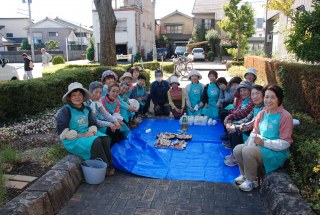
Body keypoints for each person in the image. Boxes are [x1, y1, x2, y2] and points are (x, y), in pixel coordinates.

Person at [233, 84, 293, 192]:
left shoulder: (285, 116)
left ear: (279, 99)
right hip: (261, 146)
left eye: (272, 97)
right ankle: (245, 175)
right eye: (266, 97)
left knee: (247, 151)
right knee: (238, 149)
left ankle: (253, 180)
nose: (268, 100)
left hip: (276, 152)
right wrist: (249, 143)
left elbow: (285, 143)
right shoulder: (262, 113)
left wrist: (264, 143)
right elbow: (255, 132)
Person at [55, 82, 115, 176]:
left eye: (80, 94)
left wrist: (92, 131)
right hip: (72, 139)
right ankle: (104, 168)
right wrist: (81, 135)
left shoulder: (87, 109)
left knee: (105, 138)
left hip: (86, 133)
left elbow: (92, 124)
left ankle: (110, 165)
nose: (77, 97)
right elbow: (62, 133)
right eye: (74, 95)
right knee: (96, 141)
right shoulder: (65, 111)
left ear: (83, 96)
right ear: (69, 97)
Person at [224, 85, 265, 167]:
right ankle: (234, 153)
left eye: (257, 93)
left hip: (258, 132)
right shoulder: (256, 106)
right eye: (253, 94)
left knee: (235, 132)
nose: (255, 96)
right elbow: (247, 118)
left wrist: (236, 127)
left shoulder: (263, 108)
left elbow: (252, 123)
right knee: (233, 128)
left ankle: (237, 158)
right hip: (253, 128)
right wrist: (235, 124)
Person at [85, 81, 122, 146]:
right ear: (90, 91)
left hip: (101, 121)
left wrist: (115, 121)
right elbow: (93, 120)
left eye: (100, 93)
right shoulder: (86, 104)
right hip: (93, 125)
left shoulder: (98, 102)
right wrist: (109, 124)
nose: (98, 95)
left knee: (117, 126)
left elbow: (106, 114)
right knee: (110, 130)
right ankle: (111, 147)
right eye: (96, 92)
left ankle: (116, 147)